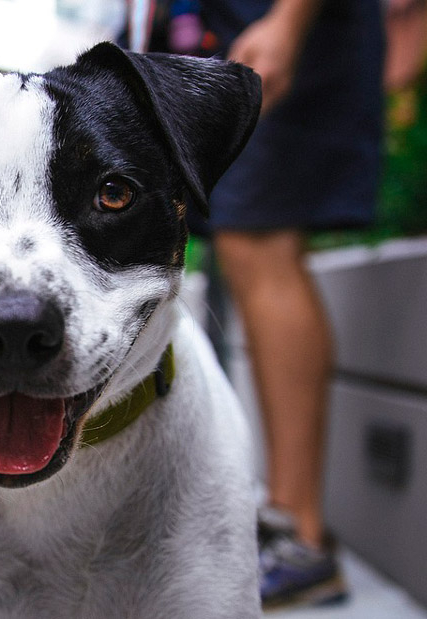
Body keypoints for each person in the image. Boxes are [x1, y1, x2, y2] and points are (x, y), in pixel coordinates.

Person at [127, 0, 385, 609]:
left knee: (259, 243)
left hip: (275, 27)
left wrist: (290, 21)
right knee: (237, 247)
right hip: (221, 31)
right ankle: (277, 525)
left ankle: (301, 538)